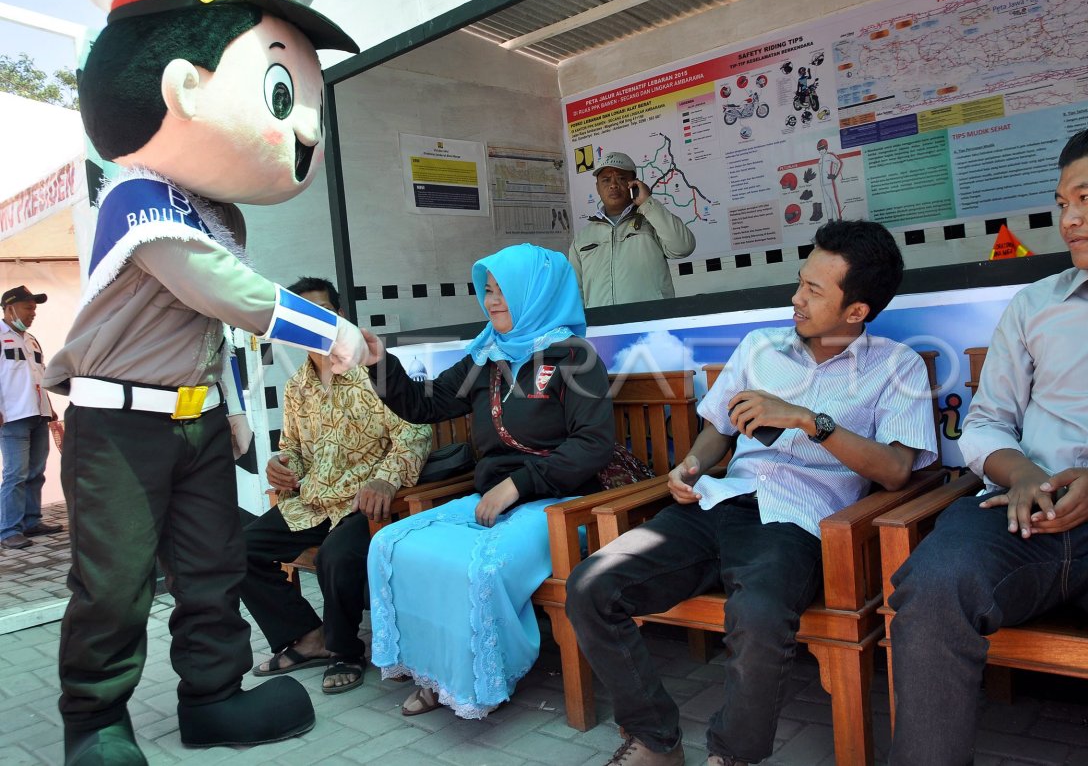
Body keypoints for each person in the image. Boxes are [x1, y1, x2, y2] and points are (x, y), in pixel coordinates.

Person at [45, 0, 364, 762]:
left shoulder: (213, 210)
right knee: (114, 585)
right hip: (118, 423)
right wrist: (326, 328)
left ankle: (213, 697)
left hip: (193, 422)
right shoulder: (136, 194)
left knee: (211, 570)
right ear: (182, 85)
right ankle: (94, 723)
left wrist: (225, 411)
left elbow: (204, 330)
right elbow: (213, 288)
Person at [567, 220, 939, 766]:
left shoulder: (895, 365)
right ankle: (654, 740)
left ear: (856, 310)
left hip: (799, 522)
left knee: (760, 616)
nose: (796, 298)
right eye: (800, 282)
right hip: (721, 501)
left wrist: (812, 421)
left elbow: (897, 471)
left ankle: (733, 756)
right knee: (590, 587)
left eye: (814, 290)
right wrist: (692, 465)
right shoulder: (760, 346)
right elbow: (720, 426)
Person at [887, 123, 1088, 766]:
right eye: (1062, 204)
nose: (1069, 219)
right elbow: (986, 422)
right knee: (934, 584)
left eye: (1086, 197)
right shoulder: (1034, 305)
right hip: (1017, 508)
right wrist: (1023, 474)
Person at [366, 243, 615, 719]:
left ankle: (477, 681)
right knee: (393, 545)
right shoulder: (487, 357)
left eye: (504, 290)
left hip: (563, 504)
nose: (492, 300)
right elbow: (428, 404)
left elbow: (593, 445)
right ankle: (436, 673)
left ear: (536, 292)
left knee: (481, 566)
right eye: (488, 290)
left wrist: (519, 484)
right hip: (494, 498)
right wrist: (380, 361)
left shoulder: (574, 357)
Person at [240, 278, 432, 694]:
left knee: (337, 556)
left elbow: (414, 432)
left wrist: (386, 478)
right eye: (304, 314)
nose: (317, 321)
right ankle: (311, 638)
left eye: (326, 310)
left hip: (367, 502)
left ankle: (346, 650)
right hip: (313, 500)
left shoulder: (375, 370)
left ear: (341, 316)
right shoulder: (297, 387)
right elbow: (293, 447)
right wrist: (280, 464)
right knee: (239, 550)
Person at [569, 150, 696, 307]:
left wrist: (647, 203)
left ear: (634, 183)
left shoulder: (651, 221)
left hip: (651, 324)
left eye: (621, 179)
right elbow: (575, 293)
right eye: (606, 180)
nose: (613, 185)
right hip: (603, 327)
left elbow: (683, 247)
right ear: (597, 188)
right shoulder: (582, 238)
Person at [0, 285, 62, 549]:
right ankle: (8, 530)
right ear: (9, 308)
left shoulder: (31, 339)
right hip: (13, 415)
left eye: (34, 309)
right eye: (28, 308)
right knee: (16, 473)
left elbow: (38, 374)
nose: (32, 314)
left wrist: (49, 406)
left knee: (36, 470)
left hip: (38, 412)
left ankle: (31, 521)